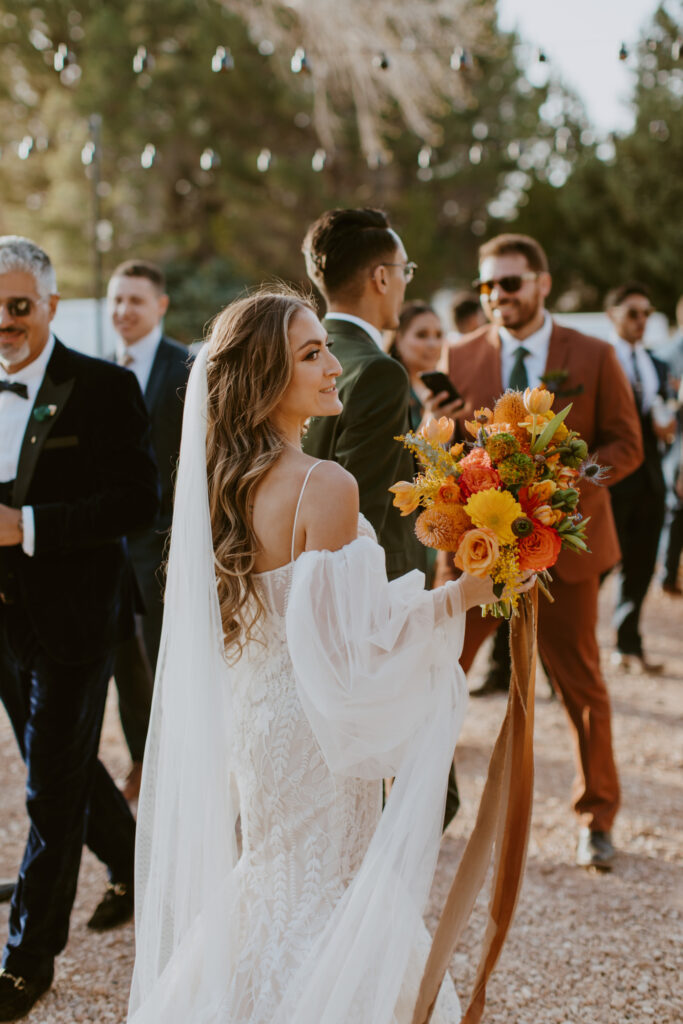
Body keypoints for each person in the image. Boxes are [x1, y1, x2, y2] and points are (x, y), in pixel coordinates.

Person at [127, 287, 534, 1024]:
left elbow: (304, 626)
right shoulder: (327, 485)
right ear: (264, 378)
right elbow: (353, 652)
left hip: (260, 719)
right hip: (312, 731)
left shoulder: (227, 484)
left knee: (274, 885)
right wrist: (463, 595)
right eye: (310, 354)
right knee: (328, 894)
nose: (331, 366)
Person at [433, 233, 643, 870]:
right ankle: (418, 809)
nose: (499, 296)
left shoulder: (596, 354)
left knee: (581, 686)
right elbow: (444, 447)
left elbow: (625, 447)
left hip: (565, 550)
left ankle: (597, 817)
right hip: (476, 553)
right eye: (488, 286)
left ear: (543, 283)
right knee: (439, 678)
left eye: (511, 283)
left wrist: (567, 486)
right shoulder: (460, 353)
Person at [0, 237, 159, 1019]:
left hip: (74, 619)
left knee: (48, 791)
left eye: (18, 306)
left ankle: (27, 960)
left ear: (51, 307)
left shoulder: (101, 388)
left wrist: (25, 525)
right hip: (2, 624)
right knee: (52, 761)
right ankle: (134, 859)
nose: (3, 321)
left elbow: (137, 502)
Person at [301, 207, 424, 581]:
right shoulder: (378, 372)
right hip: (373, 588)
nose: (407, 282)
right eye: (406, 270)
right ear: (382, 277)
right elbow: (362, 510)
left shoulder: (295, 354)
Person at [107, 259, 191, 800]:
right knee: (123, 663)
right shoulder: (100, 368)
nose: (123, 311)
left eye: (134, 300)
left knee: (165, 658)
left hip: (165, 541)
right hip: (110, 544)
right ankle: (142, 759)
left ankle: (176, 766)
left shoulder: (184, 366)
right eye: (116, 300)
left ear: (159, 305)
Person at [605, 283, 672, 672]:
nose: (641, 321)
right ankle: (567, 651)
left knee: (642, 565)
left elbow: (661, 413)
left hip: (651, 479)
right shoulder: (601, 360)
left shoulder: (656, 363)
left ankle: (628, 645)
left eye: (646, 313)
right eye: (633, 313)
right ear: (613, 315)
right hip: (612, 482)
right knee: (597, 565)